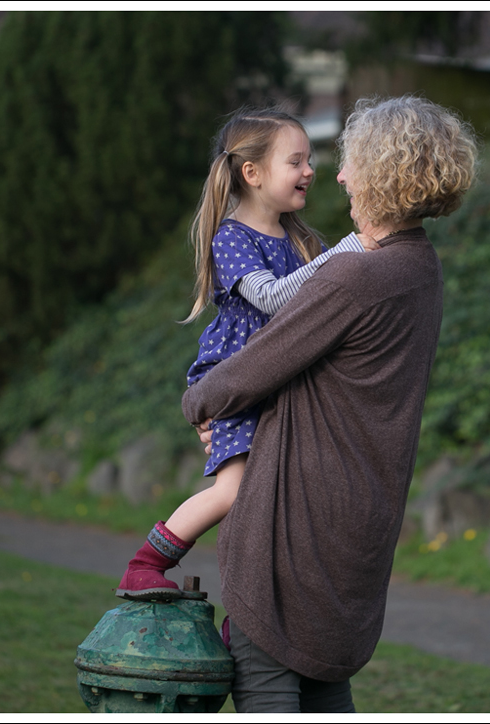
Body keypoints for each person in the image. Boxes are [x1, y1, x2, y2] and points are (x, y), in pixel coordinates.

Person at [182, 95, 479, 713]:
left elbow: (243, 375)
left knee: (269, 686)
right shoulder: (420, 268)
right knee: (325, 692)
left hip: (296, 530)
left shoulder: (352, 279)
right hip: (357, 526)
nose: (338, 176)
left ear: (383, 172)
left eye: (350, 163)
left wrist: (201, 402)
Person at [116, 107, 377, 601]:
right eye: (295, 161)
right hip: (237, 382)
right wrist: (349, 249)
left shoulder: (302, 241)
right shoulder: (231, 238)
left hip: (278, 385)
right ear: (252, 174)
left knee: (274, 502)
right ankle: (145, 564)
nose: (309, 171)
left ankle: (263, 610)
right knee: (234, 493)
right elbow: (275, 300)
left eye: (309, 160)